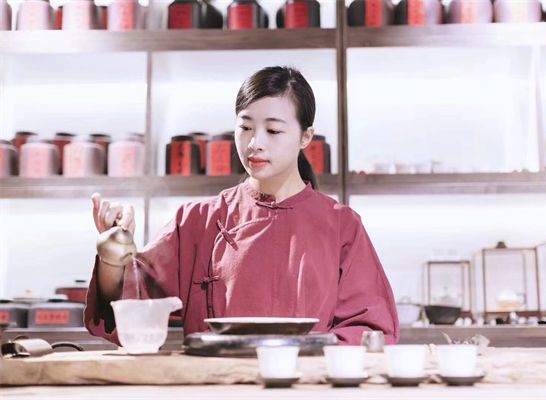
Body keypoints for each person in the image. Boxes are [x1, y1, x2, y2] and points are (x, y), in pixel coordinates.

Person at [86, 66, 400, 345]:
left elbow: (369, 328)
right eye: (245, 127)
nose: (254, 143)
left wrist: (300, 359)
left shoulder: (341, 225)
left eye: (273, 130)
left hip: (307, 383)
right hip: (216, 384)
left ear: (306, 137)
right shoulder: (196, 221)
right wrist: (113, 252)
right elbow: (129, 310)